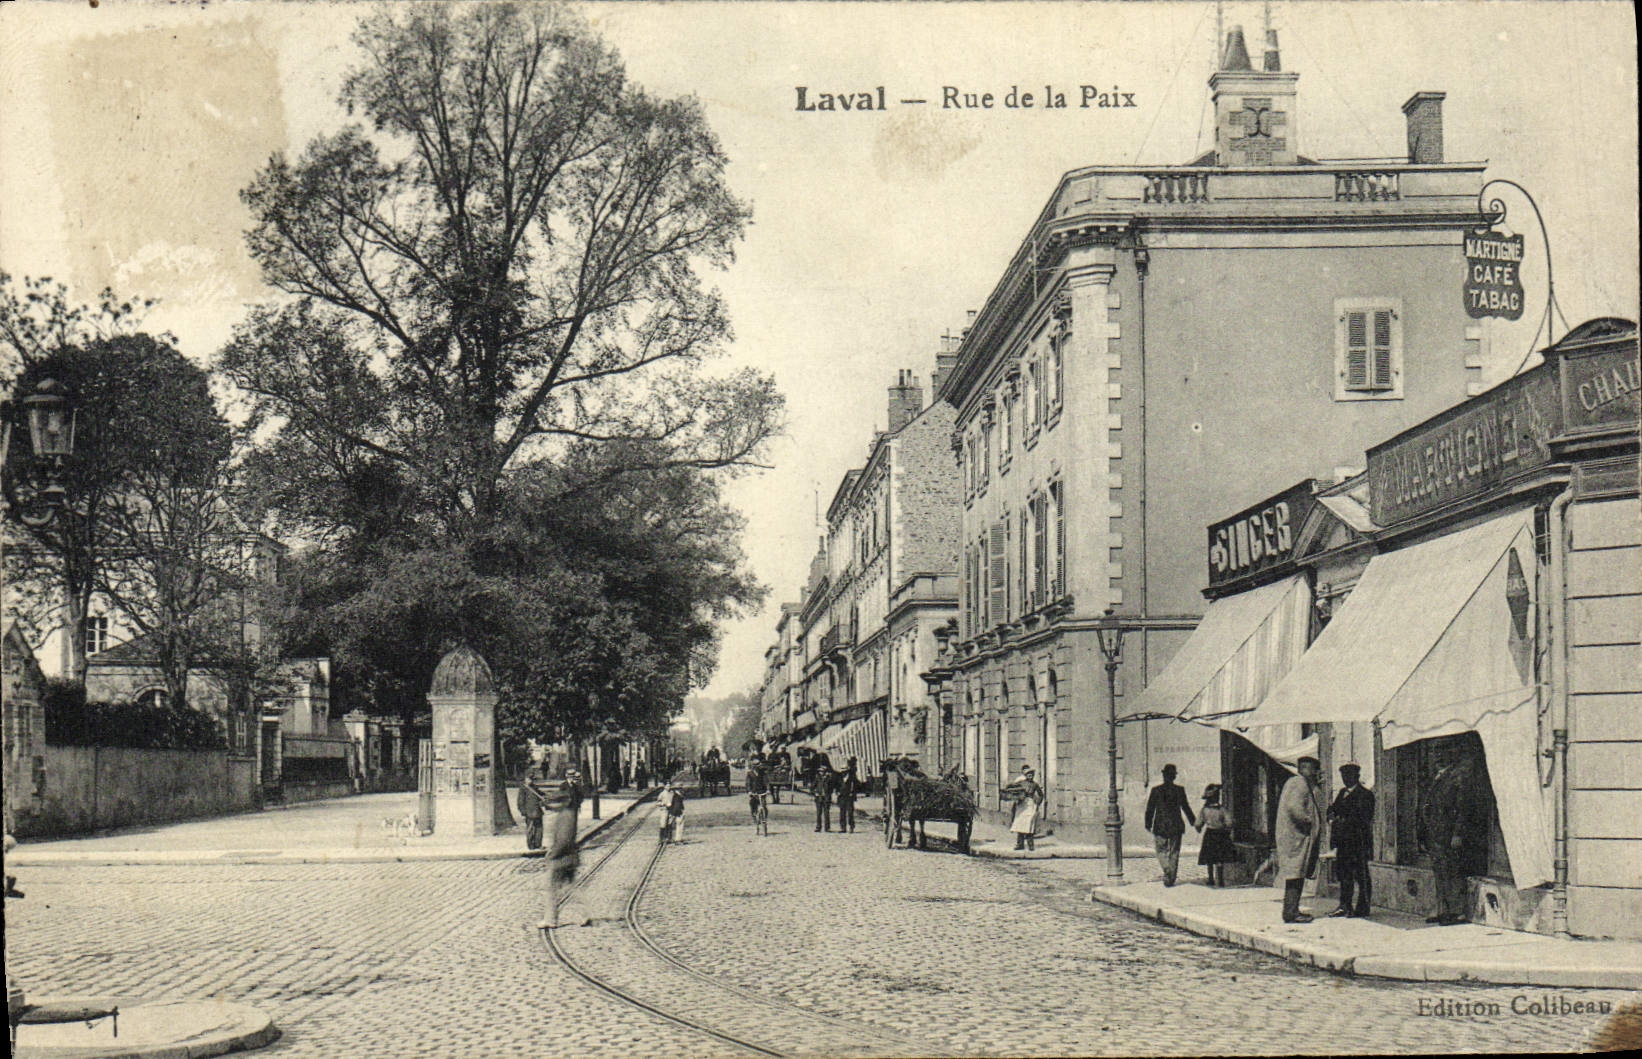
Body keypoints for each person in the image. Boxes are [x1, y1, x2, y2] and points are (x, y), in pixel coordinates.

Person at [1419, 744, 1489, 925]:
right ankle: (1442, 910)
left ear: (1451, 756)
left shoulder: (1456, 778)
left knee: (1453, 871)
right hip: (1434, 834)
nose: (1438, 759)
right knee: (1440, 872)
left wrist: (1457, 834)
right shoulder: (1435, 779)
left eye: (1442, 754)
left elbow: (1462, 809)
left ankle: (1458, 912)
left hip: (1448, 834)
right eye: (1435, 755)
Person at [1275, 755, 1325, 924]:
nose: (1316, 773)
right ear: (1305, 769)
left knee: (1295, 875)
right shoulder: (1300, 783)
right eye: (1314, 769)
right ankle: (1291, 912)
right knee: (1296, 875)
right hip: (1297, 839)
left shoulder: (1295, 782)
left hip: (1293, 838)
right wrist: (1309, 820)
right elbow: (1295, 808)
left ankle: (1291, 910)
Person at [535, 755, 582, 930]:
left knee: (548, 888)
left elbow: (563, 839)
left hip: (561, 859)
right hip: (570, 857)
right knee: (571, 888)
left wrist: (550, 855)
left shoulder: (565, 816)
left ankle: (550, 919)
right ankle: (583, 914)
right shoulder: (569, 813)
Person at [1327, 763, 1375, 917]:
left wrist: (1342, 818)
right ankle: (1345, 905)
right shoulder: (1342, 793)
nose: (1346, 779)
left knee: (1361, 875)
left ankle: (1363, 907)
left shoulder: (1366, 795)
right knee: (1344, 875)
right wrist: (1332, 814)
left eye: (1349, 776)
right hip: (1343, 842)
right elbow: (1333, 809)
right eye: (1343, 776)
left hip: (1358, 841)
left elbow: (1363, 818)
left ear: (1357, 777)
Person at [1144, 764, 1196, 886]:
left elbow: (1150, 808)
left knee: (1161, 850)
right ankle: (1170, 878)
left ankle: (1167, 868)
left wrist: (1148, 823)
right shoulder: (1179, 790)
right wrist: (1193, 821)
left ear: (1164, 775)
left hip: (1160, 826)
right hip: (1176, 825)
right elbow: (1186, 807)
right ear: (1174, 777)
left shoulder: (1156, 790)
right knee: (1174, 851)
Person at [1195, 783, 1237, 887]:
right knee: (1220, 857)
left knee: (1210, 858)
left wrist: (1199, 828)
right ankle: (1220, 879)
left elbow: (1198, 823)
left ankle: (1210, 879)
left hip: (1210, 834)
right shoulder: (1222, 810)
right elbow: (1229, 822)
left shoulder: (1205, 810)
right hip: (1221, 834)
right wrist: (1227, 829)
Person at [1009, 765, 1045, 851]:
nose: (1030, 776)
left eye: (1031, 774)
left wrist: (1038, 803)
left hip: (1030, 804)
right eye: (1028, 774)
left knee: (1029, 824)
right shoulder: (1021, 783)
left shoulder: (1035, 784)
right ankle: (1020, 844)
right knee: (1020, 824)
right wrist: (1017, 798)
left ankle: (1030, 845)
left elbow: (1041, 794)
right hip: (1021, 805)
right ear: (1025, 775)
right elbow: (1014, 791)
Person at [517, 750, 548, 852]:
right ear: (525, 779)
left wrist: (547, 796)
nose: (530, 780)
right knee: (530, 829)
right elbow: (520, 802)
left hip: (537, 811)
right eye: (529, 778)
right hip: (529, 812)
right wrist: (523, 812)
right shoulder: (524, 788)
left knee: (539, 828)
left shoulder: (533, 787)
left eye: (531, 778)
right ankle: (531, 845)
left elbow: (540, 794)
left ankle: (538, 844)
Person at [835, 756, 861, 834]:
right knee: (842, 812)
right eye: (842, 771)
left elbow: (857, 785)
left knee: (850, 812)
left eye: (845, 771)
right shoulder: (839, 778)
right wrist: (837, 791)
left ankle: (851, 826)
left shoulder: (852, 777)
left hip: (849, 797)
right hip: (842, 797)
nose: (843, 772)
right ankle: (843, 827)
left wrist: (853, 793)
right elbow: (836, 785)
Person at [812, 752, 836, 833]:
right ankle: (818, 827)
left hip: (826, 797)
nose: (821, 773)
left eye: (823, 771)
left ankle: (827, 827)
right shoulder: (817, 778)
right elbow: (813, 786)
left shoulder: (829, 778)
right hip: (818, 797)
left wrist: (829, 793)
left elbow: (832, 787)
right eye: (820, 771)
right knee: (819, 813)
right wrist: (815, 792)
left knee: (826, 813)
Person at [746, 758, 770, 834]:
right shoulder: (750, 773)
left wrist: (768, 789)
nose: (757, 767)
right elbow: (748, 783)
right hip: (754, 793)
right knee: (753, 806)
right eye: (755, 765)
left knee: (764, 805)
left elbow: (766, 781)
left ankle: (764, 818)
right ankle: (755, 818)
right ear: (752, 766)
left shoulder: (763, 773)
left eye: (758, 765)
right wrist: (749, 791)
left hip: (761, 792)